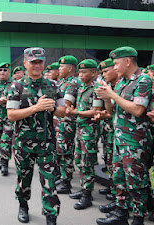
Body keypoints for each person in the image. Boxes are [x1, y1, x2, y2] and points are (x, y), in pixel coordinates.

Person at [6, 47, 66, 225]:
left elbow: (63, 112)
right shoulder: (16, 86)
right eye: (33, 62)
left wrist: (53, 108)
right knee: (24, 179)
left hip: (46, 144)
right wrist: (36, 108)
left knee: (50, 181)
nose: (37, 65)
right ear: (25, 63)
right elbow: (11, 115)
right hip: (23, 143)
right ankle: (23, 205)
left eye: (40, 62)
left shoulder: (53, 86)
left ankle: (51, 215)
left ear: (44, 63)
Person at [95, 46, 152, 225]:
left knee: (136, 180)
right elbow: (111, 111)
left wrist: (112, 94)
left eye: (117, 64)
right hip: (119, 138)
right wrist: (105, 97)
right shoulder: (121, 82)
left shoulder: (143, 81)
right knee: (119, 177)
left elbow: (137, 109)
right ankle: (121, 212)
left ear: (128, 62)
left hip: (135, 140)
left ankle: (138, 217)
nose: (115, 68)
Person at [65, 59, 101, 210]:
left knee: (87, 162)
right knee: (79, 160)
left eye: (84, 72)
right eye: (79, 72)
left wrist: (76, 112)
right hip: (80, 129)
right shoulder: (82, 87)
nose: (80, 74)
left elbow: (96, 111)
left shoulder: (96, 88)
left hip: (90, 131)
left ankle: (87, 195)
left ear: (94, 73)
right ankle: (83, 188)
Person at [93, 58, 120, 215]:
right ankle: (116, 196)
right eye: (101, 72)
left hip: (126, 135)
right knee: (111, 163)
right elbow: (111, 112)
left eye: (105, 71)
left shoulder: (123, 86)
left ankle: (121, 200)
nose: (103, 75)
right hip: (110, 130)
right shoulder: (109, 87)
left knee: (121, 169)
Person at [55, 55, 80, 194]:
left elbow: (66, 103)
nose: (59, 69)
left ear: (69, 68)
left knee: (65, 152)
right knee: (59, 151)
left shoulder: (73, 83)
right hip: (58, 122)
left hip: (66, 123)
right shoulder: (61, 82)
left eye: (61, 67)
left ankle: (66, 181)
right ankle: (62, 176)